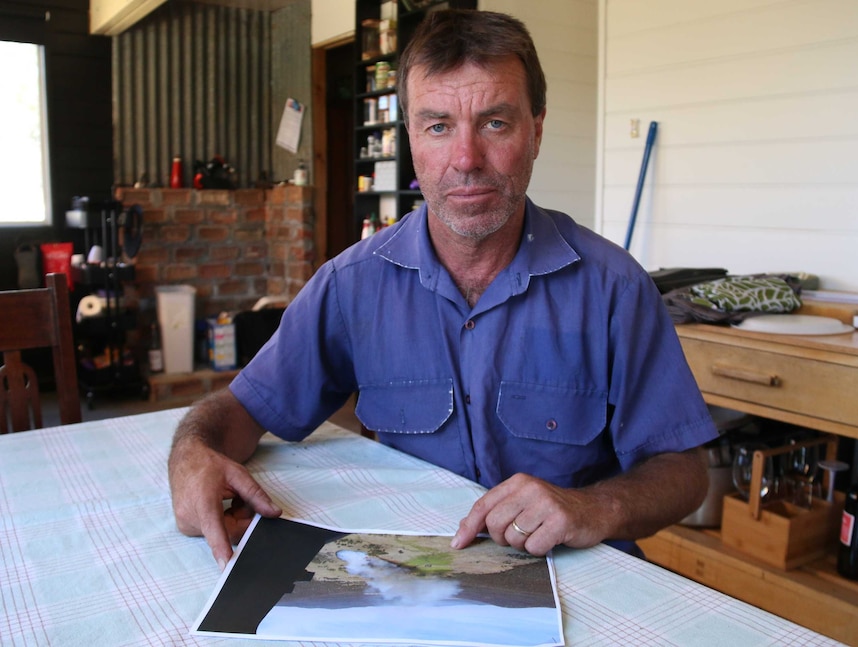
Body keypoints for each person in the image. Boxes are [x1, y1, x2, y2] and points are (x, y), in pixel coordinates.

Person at [168, 9, 716, 571]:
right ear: (411, 138)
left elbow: (683, 469)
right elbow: (239, 408)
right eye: (438, 126)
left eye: (495, 123)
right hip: (414, 578)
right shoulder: (351, 286)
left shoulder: (614, 288)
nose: (466, 160)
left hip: (581, 579)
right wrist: (191, 455)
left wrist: (593, 506)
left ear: (537, 129)